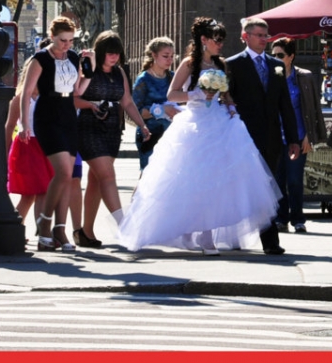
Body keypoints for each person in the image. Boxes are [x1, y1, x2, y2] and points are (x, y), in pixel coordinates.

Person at [119, 33, 281, 254]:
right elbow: (173, 94)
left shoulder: (220, 63)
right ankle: (200, 234)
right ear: (204, 41)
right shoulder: (189, 64)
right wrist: (195, 94)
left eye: (222, 40)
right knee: (194, 178)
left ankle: (206, 232)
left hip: (219, 121)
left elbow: (225, 93)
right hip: (195, 122)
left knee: (219, 179)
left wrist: (231, 107)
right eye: (217, 40)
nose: (221, 44)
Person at [225, 17, 300, 255]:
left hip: (270, 139)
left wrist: (293, 138)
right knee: (240, 187)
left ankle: (270, 242)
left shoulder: (275, 65)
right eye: (259, 35)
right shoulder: (233, 64)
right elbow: (227, 102)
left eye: (266, 35)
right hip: (243, 138)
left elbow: (285, 104)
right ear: (245, 36)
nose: (264, 39)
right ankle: (235, 236)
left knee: (267, 187)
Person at [76, 30, 150, 248]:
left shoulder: (119, 73)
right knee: (107, 175)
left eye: (117, 53)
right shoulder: (88, 69)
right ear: (100, 52)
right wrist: (91, 104)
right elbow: (73, 98)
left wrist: (141, 124)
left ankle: (85, 232)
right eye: (109, 53)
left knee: (96, 180)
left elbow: (127, 102)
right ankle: (125, 227)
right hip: (89, 126)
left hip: (112, 130)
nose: (114, 57)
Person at [20, 17, 86, 252]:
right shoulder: (40, 59)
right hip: (47, 116)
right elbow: (27, 92)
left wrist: (89, 71)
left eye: (71, 40)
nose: (67, 44)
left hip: (68, 115)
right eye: (62, 40)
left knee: (67, 177)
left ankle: (60, 229)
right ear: (53, 36)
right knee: (63, 172)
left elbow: (77, 90)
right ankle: (45, 224)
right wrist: (24, 125)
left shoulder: (74, 57)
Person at [269, 37, 325, 234]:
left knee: (294, 179)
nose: (275, 58)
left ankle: (298, 219)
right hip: (275, 137)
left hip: (298, 136)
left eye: (280, 55)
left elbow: (313, 108)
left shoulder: (304, 77)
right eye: (273, 54)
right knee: (277, 180)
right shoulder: (270, 75)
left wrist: (310, 137)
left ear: (291, 56)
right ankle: (281, 218)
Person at [4, 57, 53, 225]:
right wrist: (5, 154)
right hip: (27, 147)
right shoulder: (19, 99)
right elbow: (9, 127)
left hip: (46, 146)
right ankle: (25, 229)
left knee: (41, 192)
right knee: (33, 193)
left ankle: (21, 228)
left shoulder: (49, 97)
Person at [131, 37, 178, 171]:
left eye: (172, 56)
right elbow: (136, 111)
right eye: (165, 56)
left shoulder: (172, 77)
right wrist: (161, 109)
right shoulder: (143, 80)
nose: (170, 60)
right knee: (147, 178)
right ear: (154, 55)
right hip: (149, 135)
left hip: (169, 134)